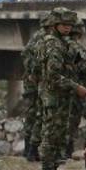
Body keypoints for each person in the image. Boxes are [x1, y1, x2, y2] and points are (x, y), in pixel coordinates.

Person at [36, 7, 86, 170]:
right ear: (55, 24)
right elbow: (53, 76)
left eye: (70, 25)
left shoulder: (58, 42)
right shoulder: (53, 44)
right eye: (64, 25)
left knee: (57, 136)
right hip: (55, 96)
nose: (68, 28)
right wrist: (76, 87)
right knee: (51, 137)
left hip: (57, 96)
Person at [21, 13, 53, 162]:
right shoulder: (44, 39)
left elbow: (26, 56)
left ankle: (28, 150)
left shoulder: (35, 37)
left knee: (31, 114)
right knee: (38, 115)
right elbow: (34, 62)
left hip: (31, 81)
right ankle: (31, 151)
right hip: (36, 82)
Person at [67, 21, 86, 151]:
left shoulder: (63, 45)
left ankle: (66, 151)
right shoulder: (76, 47)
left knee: (71, 120)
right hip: (82, 88)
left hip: (69, 88)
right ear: (79, 31)